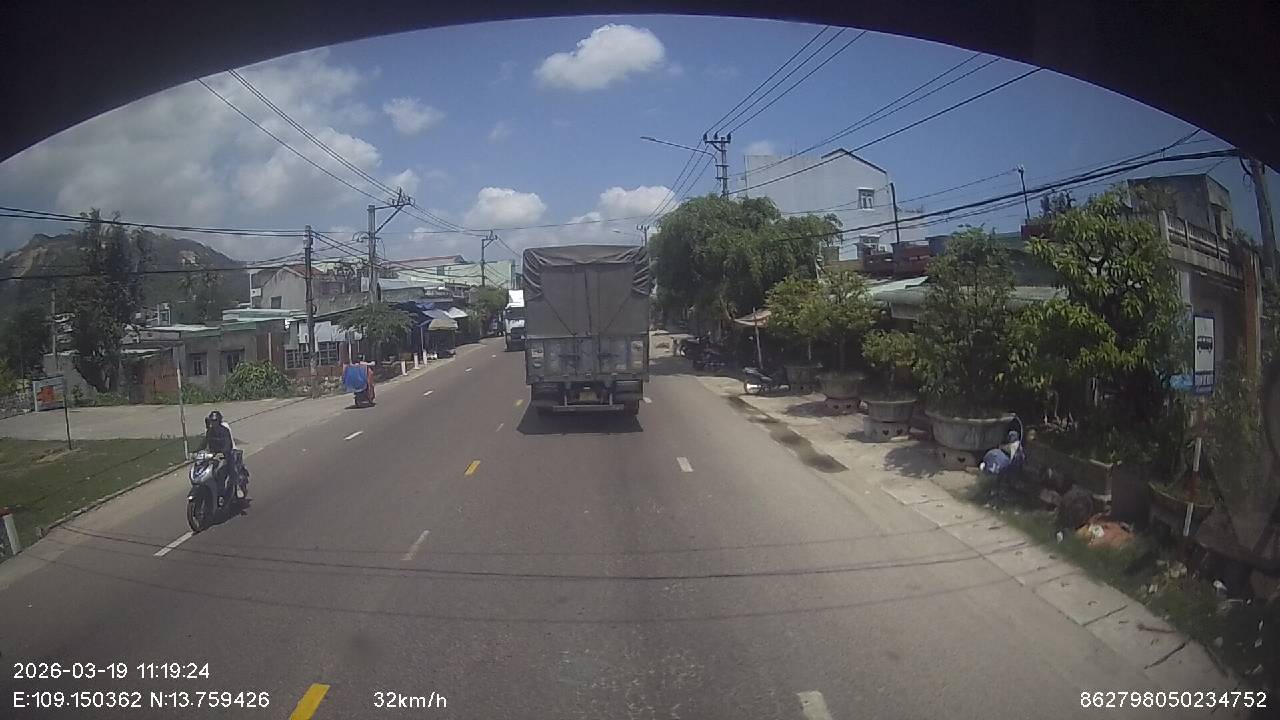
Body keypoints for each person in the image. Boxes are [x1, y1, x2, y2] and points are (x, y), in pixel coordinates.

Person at [192, 410, 247, 502]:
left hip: (226, 455)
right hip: (213, 456)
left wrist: (223, 453)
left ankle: (232, 489)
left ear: (219, 421)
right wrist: (195, 451)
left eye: (215, 421)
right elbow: (204, 443)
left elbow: (228, 444)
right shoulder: (210, 432)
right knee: (203, 467)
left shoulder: (224, 431)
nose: (213, 423)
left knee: (221, 471)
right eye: (212, 421)